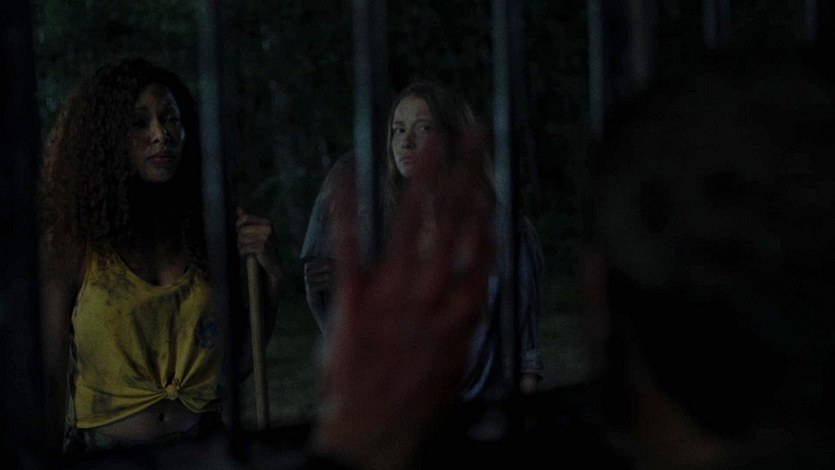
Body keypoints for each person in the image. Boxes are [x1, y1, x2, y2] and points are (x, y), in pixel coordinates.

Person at [38, 56, 282, 457]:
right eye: (139, 123)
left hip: (204, 448)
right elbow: (49, 378)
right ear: (106, 138)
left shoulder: (207, 231)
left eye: (170, 119)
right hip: (105, 455)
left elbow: (237, 365)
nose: (161, 134)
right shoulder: (72, 241)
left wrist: (271, 278)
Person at [301, 81, 545, 399]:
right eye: (399, 130)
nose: (407, 142)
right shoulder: (389, 233)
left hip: (481, 412)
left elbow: (525, 356)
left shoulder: (503, 230)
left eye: (424, 128)